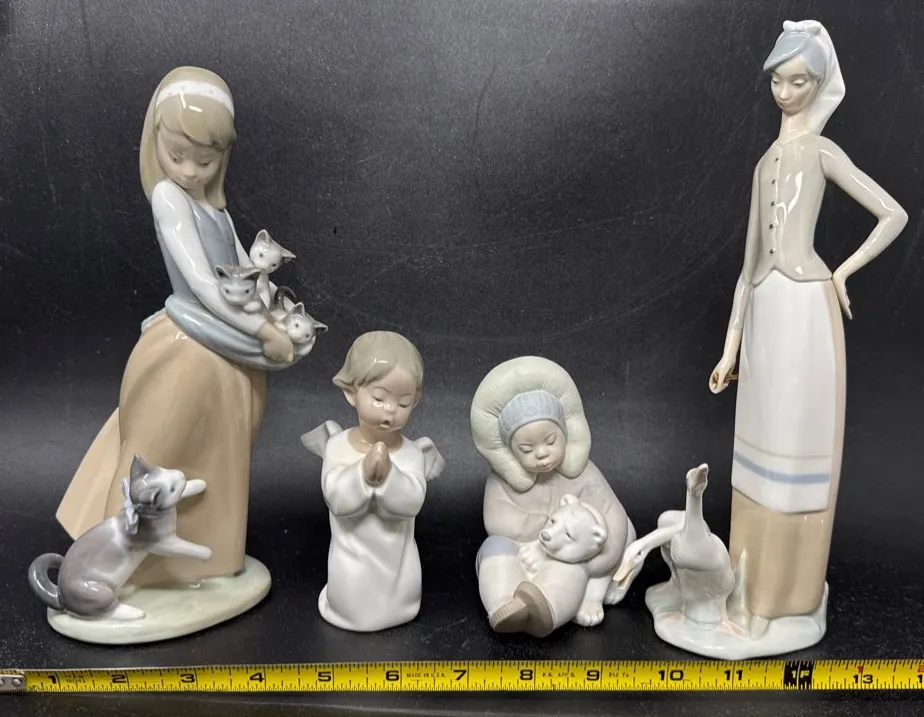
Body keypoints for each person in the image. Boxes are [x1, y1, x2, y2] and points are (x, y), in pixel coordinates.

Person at [56, 66, 303, 588]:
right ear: (157, 145)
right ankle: (114, 561)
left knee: (215, 457)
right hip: (189, 345)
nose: (190, 171)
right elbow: (205, 283)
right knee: (158, 453)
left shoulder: (218, 212)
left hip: (226, 350)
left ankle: (198, 561)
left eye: (205, 160)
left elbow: (246, 273)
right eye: (177, 156)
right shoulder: (169, 199)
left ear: (222, 158)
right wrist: (262, 332)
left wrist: (275, 315)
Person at [708, 21, 908, 633]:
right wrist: (730, 349)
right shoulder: (764, 162)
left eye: (798, 81)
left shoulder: (822, 151)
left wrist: (842, 270)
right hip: (765, 314)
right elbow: (746, 269)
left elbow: (893, 213)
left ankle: (781, 595)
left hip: (804, 312)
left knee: (794, 445)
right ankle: (745, 583)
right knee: (757, 444)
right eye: (778, 79)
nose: (785, 91)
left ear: (817, 86)